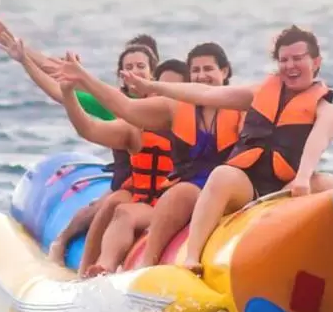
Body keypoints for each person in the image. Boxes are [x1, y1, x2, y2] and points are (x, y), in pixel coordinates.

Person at [120, 25, 333, 274]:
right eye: (284, 60)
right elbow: (204, 93)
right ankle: (192, 256)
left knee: (331, 185)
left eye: (298, 58)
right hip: (250, 186)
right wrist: (155, 87)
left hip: (288, 187)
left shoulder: (326, 110)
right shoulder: (259, 93)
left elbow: (317, 141)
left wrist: (302, 178)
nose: (290, 66)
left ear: (316, 61)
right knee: (222, 174)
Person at [0, 15, 172, 268]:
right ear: (120, 75)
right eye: (130, 67)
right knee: (102, 206)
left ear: (154, 71)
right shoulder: (113, 103)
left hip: (162, 189)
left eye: (141, 66)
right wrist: (24, 57)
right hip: (127, 182)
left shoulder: (170, 104)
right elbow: (58, 81)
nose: (136, 72)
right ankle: (65, 244)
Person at [57, 43, 242, 273]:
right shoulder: (162, 116)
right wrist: (76, 84)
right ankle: (133, 268)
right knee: (126, 204)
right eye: (196, 70)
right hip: (173, 196)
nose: (202, 76)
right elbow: (106, 118)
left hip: (226, 192)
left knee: (140, 200)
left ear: (224, 72)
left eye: (209, 69)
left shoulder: (240, 107)